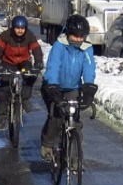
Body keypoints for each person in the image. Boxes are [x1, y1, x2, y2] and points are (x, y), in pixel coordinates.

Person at [40, 14, 97, 161]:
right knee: (57, 116)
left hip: (72, 87)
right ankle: (48, 144)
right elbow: (53, 67)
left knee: (75, 120)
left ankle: (74, 159)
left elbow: (89, 68)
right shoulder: (59, 46)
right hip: (54, 86)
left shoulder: (87, 48)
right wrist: (53, 87)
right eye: (75, 36)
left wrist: (89, 89)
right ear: (68, 33)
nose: (78, 39)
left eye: (81, 36)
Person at [0, 15, 44, 130]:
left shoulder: (30, 35)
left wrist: (38, 62)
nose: (20, 31)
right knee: (4, 85)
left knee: (31, 76)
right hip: (8, 62)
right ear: (13, 28)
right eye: (17, 28)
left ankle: (24, 99)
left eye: (22, 28)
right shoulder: (5, 35)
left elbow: (36, 49)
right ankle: (1, 116)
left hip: (23, 63)